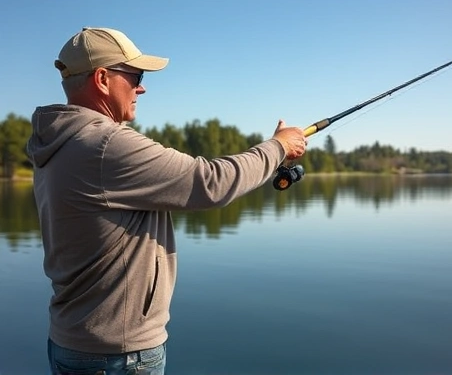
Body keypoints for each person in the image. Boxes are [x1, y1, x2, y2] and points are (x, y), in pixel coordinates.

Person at [26, 27, 307, 374]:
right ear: (102, 78)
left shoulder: (57, 144)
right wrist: (278, 146)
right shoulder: (104, 146)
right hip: (119, 355)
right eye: (135, 75)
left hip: (73, 344)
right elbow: (211, 183)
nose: (141, 87)